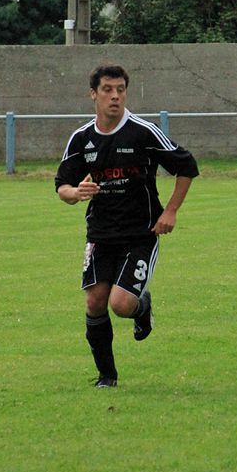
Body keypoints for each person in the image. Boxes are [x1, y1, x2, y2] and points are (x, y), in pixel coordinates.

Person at [55, 64, 198, 388]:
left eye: (120, 89)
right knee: (94, 302)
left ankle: (141, 306)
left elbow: (187, 166)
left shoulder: (142, 132)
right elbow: (61, 186)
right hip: (100, 235)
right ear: (94, 94)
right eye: (107, 89)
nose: (115, 96)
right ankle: (107, 376)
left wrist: (171, 212)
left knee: (121, 305)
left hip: (141, 234)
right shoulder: (82, 138)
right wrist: (76, 193)